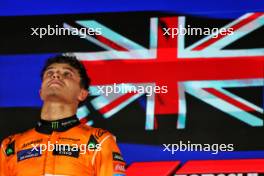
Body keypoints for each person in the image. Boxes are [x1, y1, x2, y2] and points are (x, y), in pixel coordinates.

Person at [0, 55, 126, 176]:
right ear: (41, 92)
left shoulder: (99, 141)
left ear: (82, 94)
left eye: (67, 74)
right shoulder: (10, 146)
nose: (55, 75)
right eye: (49, 73)